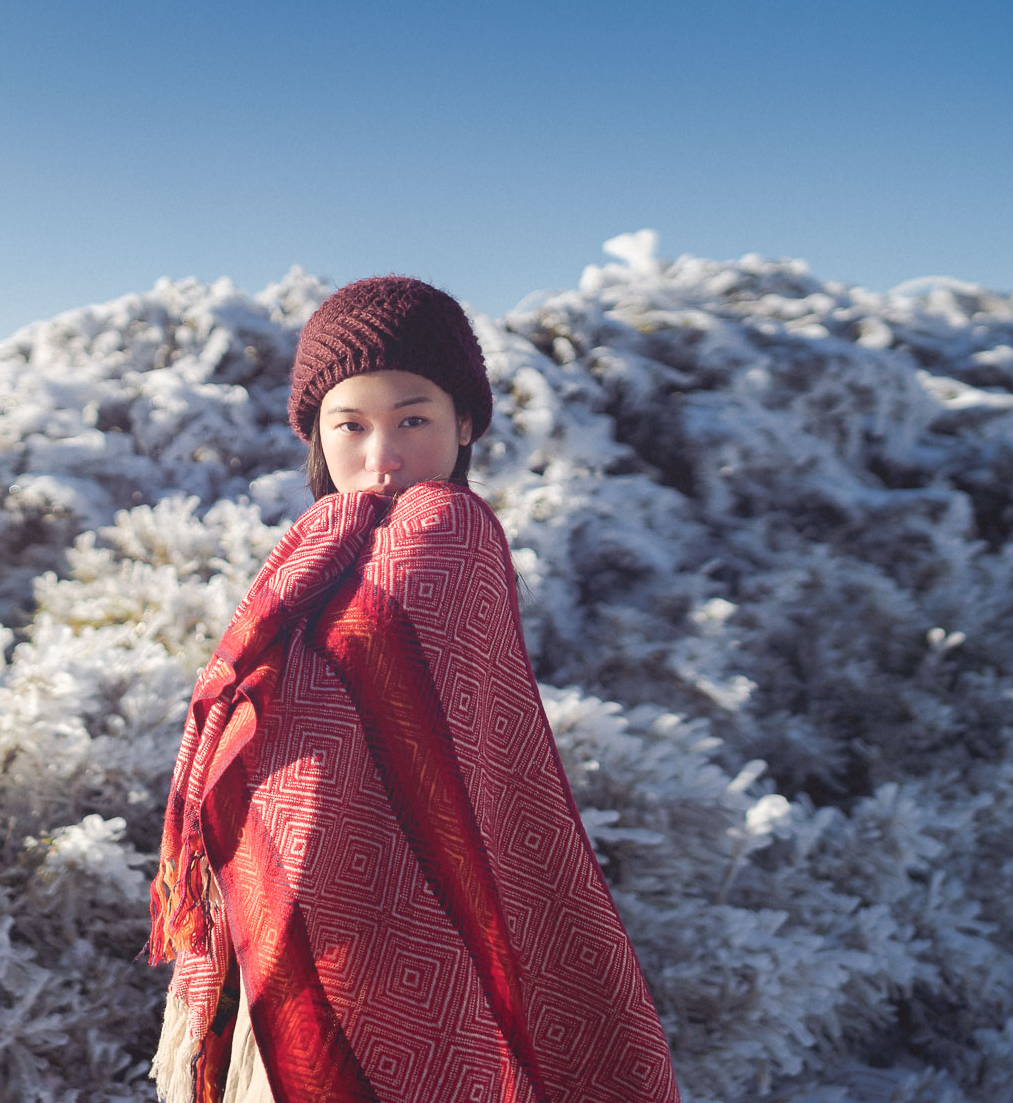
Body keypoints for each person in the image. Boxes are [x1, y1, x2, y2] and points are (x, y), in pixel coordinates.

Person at [148, 277, 681, 1103]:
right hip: (276, 904)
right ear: (315, 437)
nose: (381, 456)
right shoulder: (312, 549)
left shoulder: (450, 532)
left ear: (465, 423)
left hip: (391, 923)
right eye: (350, 426)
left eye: (413, 420)